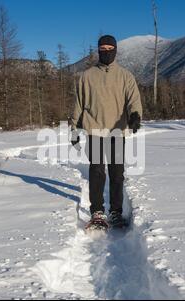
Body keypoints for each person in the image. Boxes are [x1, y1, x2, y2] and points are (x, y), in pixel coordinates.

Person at [69, 35, 143, 230]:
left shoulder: (125, 76)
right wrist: (74, 129)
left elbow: (133, 99)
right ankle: (97, 212)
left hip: (117, 130)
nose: (106, 51)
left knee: (117, 173)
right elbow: (79, 104)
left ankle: (116, 212)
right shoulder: (87, 76)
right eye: (103, 48)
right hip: (94, 129)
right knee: (96, 172)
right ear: (98, 51)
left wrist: (135, 115)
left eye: (110, 48)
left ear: (116, 50)